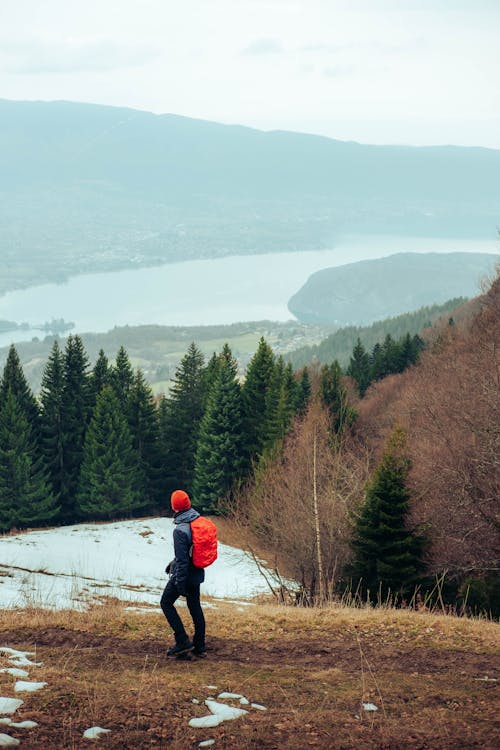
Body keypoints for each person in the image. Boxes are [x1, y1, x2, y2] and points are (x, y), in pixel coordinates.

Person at [161, 489, 206, 658]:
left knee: (165, 603)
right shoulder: (196, 521)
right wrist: (173, 563)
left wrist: (179, 583)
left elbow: (182, 560)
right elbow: (189, 552)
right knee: (195, 608)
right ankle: (200, 647)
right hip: (197, 571)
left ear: (175, 507)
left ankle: (182, 641)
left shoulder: (180, 529)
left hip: (185, 574)